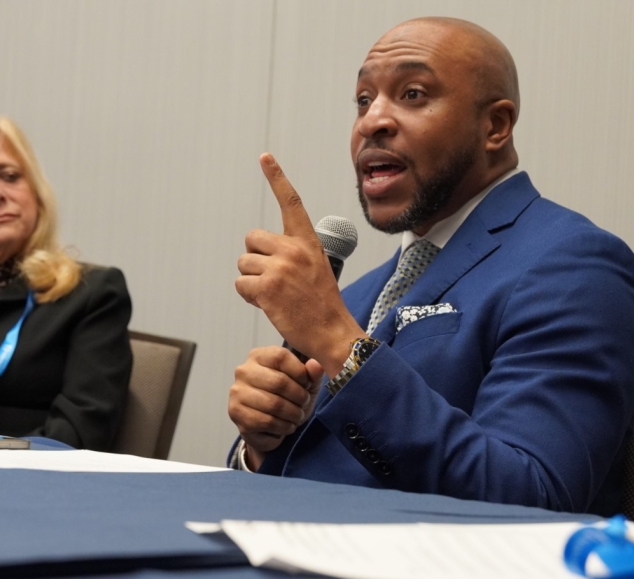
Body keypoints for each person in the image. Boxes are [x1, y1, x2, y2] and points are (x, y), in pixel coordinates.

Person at [228, 17, 634, 516]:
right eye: (363, 99)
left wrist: (339, 342)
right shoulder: (359, 297)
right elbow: (316, 471)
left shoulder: (575, 268)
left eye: (413, 94)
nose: (372, 121)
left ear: (495, 126)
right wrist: (261, 445)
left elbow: (531, 497)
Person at [0, 112, 132, 450]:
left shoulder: (91, 294)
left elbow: (79, 435)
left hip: (23, 486)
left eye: (10, 175)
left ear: (36, 194)